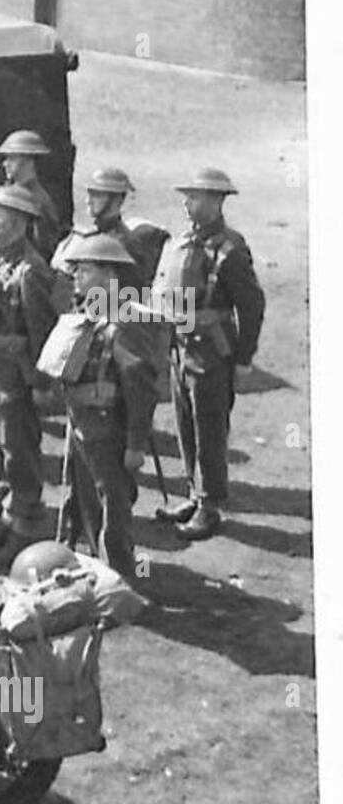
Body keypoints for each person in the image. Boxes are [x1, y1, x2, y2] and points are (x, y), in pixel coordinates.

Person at [154, 168, 265, 541]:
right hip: (181, 349)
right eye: (187, 197)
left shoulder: (230, 249)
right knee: (185, 424)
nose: (187, 203)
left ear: (217, 201)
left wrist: (244, 357)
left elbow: (251, 305)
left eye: (195, 197)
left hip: (212, 353)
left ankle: (210, 503)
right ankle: (193, 492)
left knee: (210, 428)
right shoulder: (182, 242)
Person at [47, 235, 160, 576]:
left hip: (109, 427)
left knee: (114, 508)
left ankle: (120, 578)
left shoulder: (126, 322)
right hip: (81, 422)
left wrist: (136, 444)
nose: (76, 277)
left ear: (108, 274)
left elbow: (141, 388)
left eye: (84, 270)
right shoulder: (87, 312)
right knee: (84, 501)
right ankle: (91, 563)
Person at [0, 184, 60, 571]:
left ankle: (26, 524)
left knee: (19, 453)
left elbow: (41, 331)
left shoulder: (31, 271)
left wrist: (40, 384)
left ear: (19, 224)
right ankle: (9, 512)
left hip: (15, 381)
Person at [52, 167, 165, 292]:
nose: (88, 200)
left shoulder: (125, 244)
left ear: (116, 200)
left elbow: (131, 294)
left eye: (97, 195)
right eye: (89, 193)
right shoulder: (85, 236)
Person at [0, 129, 65, 260]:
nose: (5, 164)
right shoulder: (9, 191)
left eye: (11, 158)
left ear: (28, 162)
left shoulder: (38, 201)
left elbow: (43, 248)